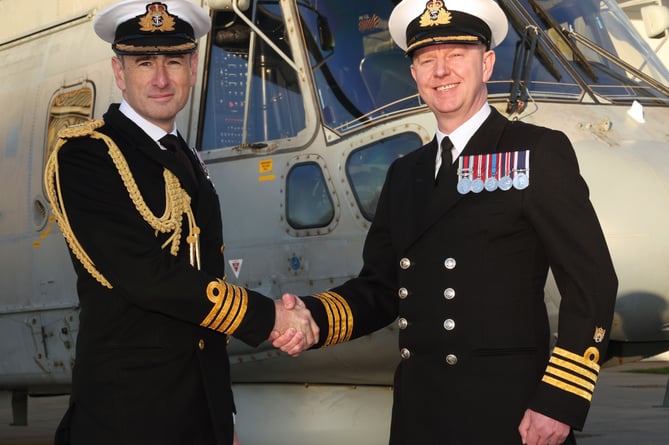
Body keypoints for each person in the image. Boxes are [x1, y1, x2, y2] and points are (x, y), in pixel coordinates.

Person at [272, 0, 618, 444]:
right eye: (427, 59)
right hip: (421, 416)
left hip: (509, 415)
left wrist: (560, 400)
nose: (441, 71)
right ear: (413, 74)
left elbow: (592, 281)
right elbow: (379, 288)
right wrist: (313, 317)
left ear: (487, 63)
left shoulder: (535, 153)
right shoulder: (405, 173)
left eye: (456, 55)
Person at [44, 1, 317, 444]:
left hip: (196, 417)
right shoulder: (87, 155)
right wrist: (269, 317)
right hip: (127, 420)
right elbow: (148, 277)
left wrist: (221, 416)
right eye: (144, 62)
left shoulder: (184, 157)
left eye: (173, 61)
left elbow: (203, 298)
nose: (160, 78)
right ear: (119, 71)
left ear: (193, 67)